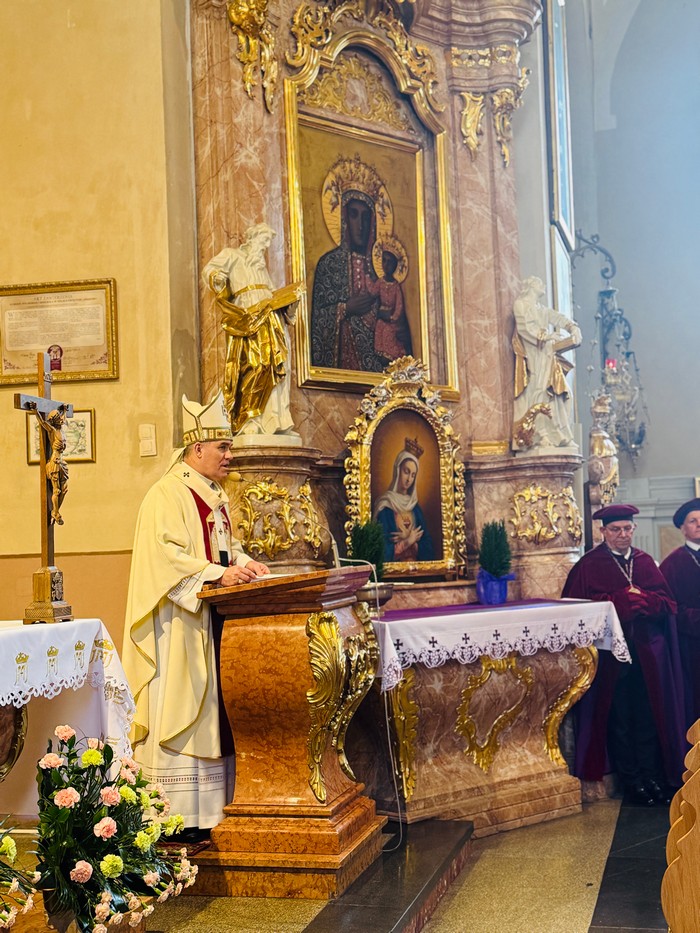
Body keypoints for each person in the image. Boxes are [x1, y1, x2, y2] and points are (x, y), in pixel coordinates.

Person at [121, 391, 270, 834]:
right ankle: (177, 815)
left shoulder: (212, 494)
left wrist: (243, 563)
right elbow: (165, 558)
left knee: (212, 711)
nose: (230, 455)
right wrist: (217, 574)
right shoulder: (166, 494)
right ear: (197, 448)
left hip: (209, 621)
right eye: (223, 447)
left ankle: (211, 812)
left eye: (230, 446)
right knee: (181, 707)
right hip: (179, 625)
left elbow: (223, 549)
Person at [561, 504, 686, 805]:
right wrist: (618, 602)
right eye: (616, 529)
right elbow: (575, 610)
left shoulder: (644, 561)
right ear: (603, 532)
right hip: (611, 659)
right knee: (620, 719)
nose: (622, 534)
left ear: (634, 529)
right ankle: (632, 782)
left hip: (647, 656)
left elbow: (668, 603)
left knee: (647, 717)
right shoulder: (589, 565)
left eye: (627, 529)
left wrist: (647, 602)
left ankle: (652, 777)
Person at [203, 223, 302, 436]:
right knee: (254, 366)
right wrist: (216, 277)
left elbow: (273, 295)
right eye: (264, 240)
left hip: (271, 320)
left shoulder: (261, 268)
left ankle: (277, 423)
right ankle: (250, 420)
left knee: (278, 367)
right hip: (247, 317)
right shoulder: (232, 255)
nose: (265, 246)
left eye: (268, 242)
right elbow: (209, 269)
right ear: (252, 238)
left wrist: (290, 303)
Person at [311, 192, 388, 373]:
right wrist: (345, 308)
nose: (360, 225)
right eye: (354, 215)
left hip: (376, 369)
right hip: (341, 365)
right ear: (345, 219)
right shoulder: (329, 264)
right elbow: (317, 321)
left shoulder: (381, 268)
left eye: (365, 217)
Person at [512, 275, 581, 449]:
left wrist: (573, 327)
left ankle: (561, 435)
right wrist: (547, 336)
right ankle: (539, 435)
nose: (543, 285)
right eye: (539, 283)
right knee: (540, 391)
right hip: (533, 355)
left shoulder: (541, 308)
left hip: (548, 354)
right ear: (532, 286)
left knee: (559, 393)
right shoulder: (521, 304)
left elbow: (557, 317)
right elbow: (524, 328)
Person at [660, 497, 700, 731]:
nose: (699, 525)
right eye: (693, 521)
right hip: (691, 647)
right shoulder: (672, 564)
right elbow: (670, 608)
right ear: (683, 528)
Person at [373, 442, 435, 562]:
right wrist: (406, 542)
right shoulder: (385, 508)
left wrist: (412, 542)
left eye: (413, 475)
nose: (409, 479)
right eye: (406, 472)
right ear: (397, 470)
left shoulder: (415, 509)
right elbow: (380, 551)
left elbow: (429, 550)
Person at [370, 241, 412, 364]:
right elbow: (373, 293)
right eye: (384, 261)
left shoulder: (395, 286)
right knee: (379, 338)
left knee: (389, 340)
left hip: (390, 321)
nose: (386, 265)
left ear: (395, 266)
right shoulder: (380, 282)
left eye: (390, 262)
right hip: (381, 320)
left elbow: (399, 305)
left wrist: (393, 317)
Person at [34, 404, 70, 525]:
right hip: (54, 462)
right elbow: (42, 422)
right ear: (54, 421)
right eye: (58, 418)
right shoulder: (52, 431)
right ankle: (56, 513)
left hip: (61, 462)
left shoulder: (61, 429)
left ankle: (55, 511)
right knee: (57, 491)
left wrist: (64, 410)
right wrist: (35, 411)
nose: (61, 419)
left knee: (64, 489)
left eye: (60, 417)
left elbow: (64, 418)